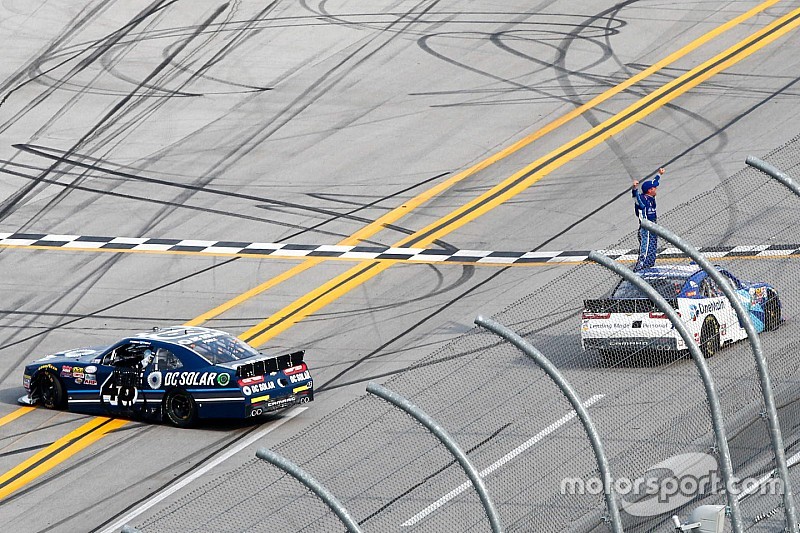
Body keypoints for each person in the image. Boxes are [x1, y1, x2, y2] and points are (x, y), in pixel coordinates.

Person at [632, 167, 665, 270]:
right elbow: (635, 197)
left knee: (652, 251)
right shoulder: (642, 200)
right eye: (654, 188)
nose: (656, 189)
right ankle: (639, 271)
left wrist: (659, 174)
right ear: (650, 190)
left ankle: (649, 268)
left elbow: (654, 181)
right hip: (646, 230)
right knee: (645, 252)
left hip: (653, 228)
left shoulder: (651, 198)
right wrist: (634, 188)